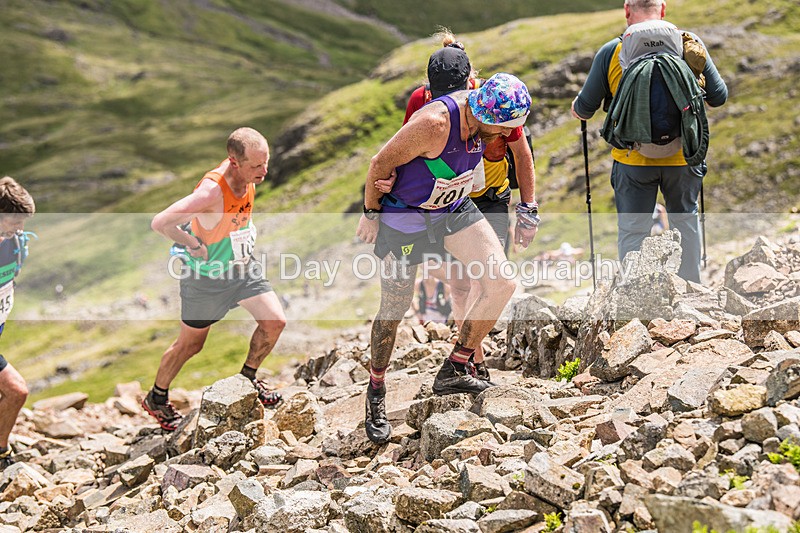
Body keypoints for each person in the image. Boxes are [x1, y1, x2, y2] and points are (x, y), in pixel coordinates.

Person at [356, 72, 534, 444]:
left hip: (453, 208)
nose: (505, 136)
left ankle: (456, 365)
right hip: (405, 216)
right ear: (486, 115)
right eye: (502, 128)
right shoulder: (435, 123)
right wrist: (372, 213)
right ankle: (376, 390)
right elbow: (379, 163)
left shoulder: (488, 111)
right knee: (395, 305)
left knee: (502, 282)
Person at [378, 31, 539, 382]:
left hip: (489, 194)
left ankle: (464, 360)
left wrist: (528, 209)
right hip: (439, 203)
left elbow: (521, 152)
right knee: (461, 284)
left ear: (471, 85)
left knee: (493, 280)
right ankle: (471, 363)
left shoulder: (493, 100)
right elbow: (402, 151)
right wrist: (385, 191)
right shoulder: (423, 102)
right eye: (437, 96)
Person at [571, 0, 727, 283]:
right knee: (685, 222)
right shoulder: (689, 44)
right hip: (683, 157)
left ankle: (634, 298)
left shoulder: (612, 51)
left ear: (627, 10)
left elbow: (584, 109)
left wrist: (578, 106)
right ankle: (691, 292)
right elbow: (719, 96)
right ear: (663, 10)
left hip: (633, 160)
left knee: (633, 230)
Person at [145, 127, 287, 431]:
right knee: (190, 345)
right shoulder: (211, 192)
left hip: (241, 269)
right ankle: (157, 397)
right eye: (255, 166)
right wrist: (193, 245)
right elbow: (161, 222)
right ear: (234, 162)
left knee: (275, 321)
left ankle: (247, 381)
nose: (264, 172)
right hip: (206, 279)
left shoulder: (249, 175)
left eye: (266, 163)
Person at [0, 177, 35, 469]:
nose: (19, 230)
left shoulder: (16, 243)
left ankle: (0, 452)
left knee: (16, 391)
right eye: (14, 223)